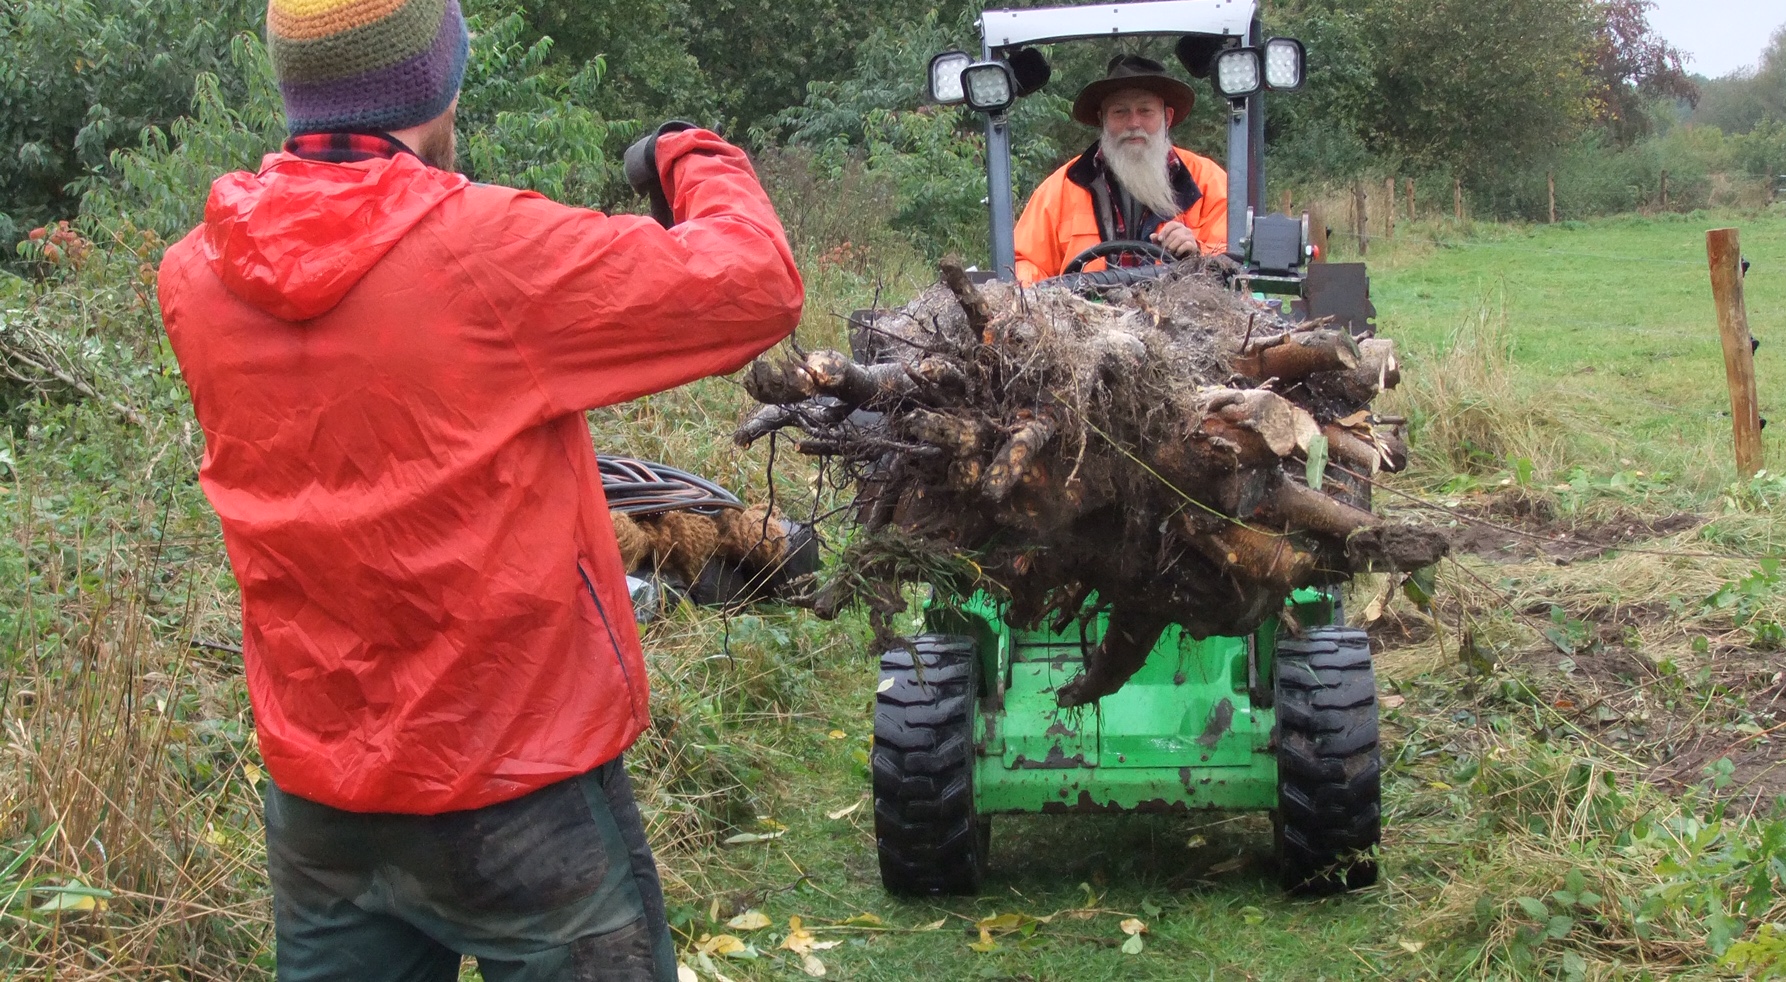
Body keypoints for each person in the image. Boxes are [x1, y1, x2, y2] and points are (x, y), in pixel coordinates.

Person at [155, 1, 803, 979]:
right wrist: (689, 154)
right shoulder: (485, 249)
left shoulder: (194, 274)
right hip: (517, 777)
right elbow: (753, 282)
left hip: (322, 797)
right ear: (436, 77)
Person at [1012, 55, 1229, 283]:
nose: (1134, 123)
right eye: (1120, 112)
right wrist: (1043, 298)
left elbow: (1235, 267)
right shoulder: (1060, 189)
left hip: (1181, 316)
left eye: (1145, 111)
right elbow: (1024, 262)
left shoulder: (1209, 183)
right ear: (1102, 119)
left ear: (1167, 117)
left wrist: (1197, 255)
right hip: (1084, 316)